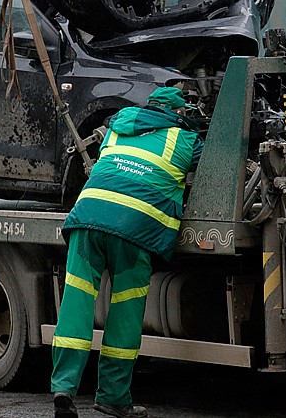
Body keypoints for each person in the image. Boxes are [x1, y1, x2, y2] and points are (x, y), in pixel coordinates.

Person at [51, 87, 202, 418]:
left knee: (76, 302)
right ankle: (114, 397)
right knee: (124, 314)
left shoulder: (118, 126)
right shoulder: (185, 140)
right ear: (179, 114)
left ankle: (63, 386)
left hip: (88, 216)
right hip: (135, 229)